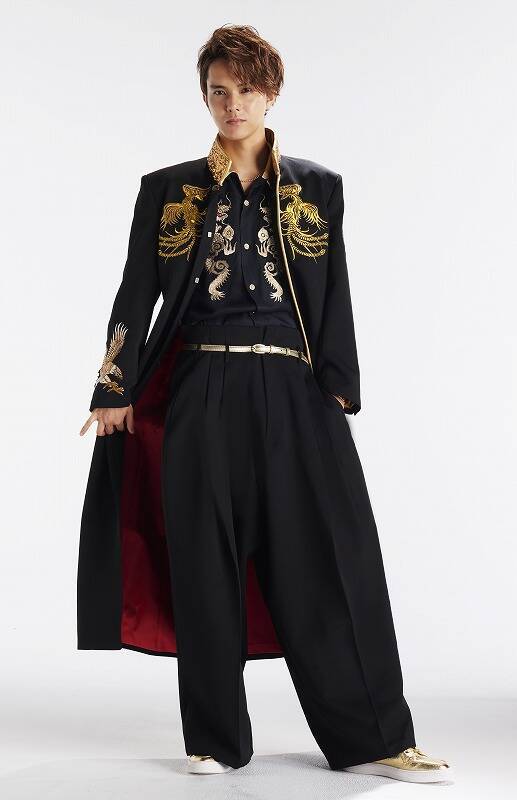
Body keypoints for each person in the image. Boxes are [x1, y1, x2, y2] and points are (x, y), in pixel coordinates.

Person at [78, 24, 452, 783]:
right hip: (199, 384)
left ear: (270, 93)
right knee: (202, 558)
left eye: (246, 90)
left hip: (293, 388)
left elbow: (334, 292)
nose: (232, 104)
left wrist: (338, 386)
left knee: (331, 557)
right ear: (204, 95)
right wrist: (113, 388)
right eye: (218, 90)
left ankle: (377, 736)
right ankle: (215, 738)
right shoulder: (168, 189)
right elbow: (136, 291)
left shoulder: (316, 186)